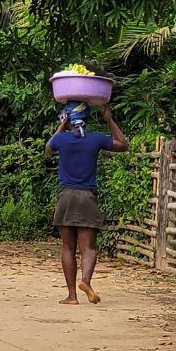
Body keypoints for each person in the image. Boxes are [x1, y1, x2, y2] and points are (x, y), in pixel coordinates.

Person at [45, 102, 129, 305]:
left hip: (65, 197)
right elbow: (123, 144)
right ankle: (86, 281)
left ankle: (72, 296)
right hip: (86, 198)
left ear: (67, 118)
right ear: (88, 118)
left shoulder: (62, 139)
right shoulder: (95, 139)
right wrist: (109, 118)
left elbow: (48, 149)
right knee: (88, 248)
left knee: (67, 247)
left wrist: (61, 126)